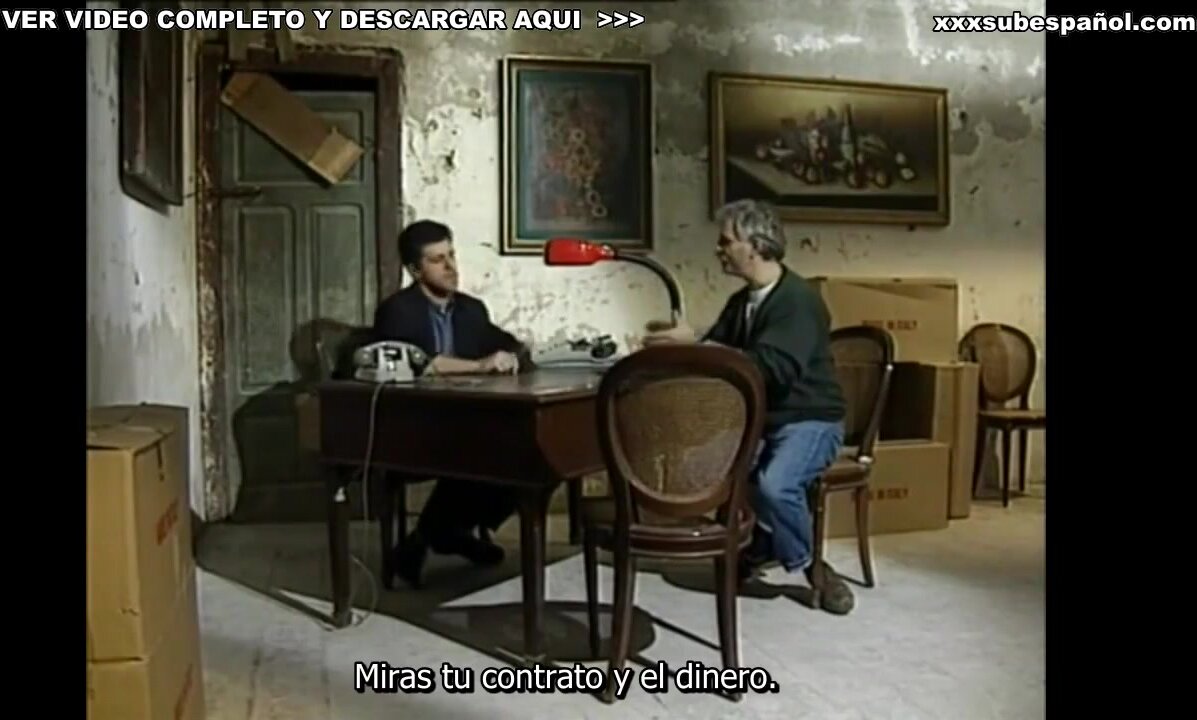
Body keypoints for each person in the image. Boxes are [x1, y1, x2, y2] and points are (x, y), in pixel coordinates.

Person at [642, 199, 855, 615]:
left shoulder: (797, 301)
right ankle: (766, 543)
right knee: (711, 469)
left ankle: (812, 567)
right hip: (764, 422)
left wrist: (698, 343)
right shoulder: (743, 302)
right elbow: (719, 352)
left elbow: (772, 368)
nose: (718, 249)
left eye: (726, 242)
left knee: (775, 485)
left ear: (755, 246)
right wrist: (681, 347)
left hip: (810, 420)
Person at [373, 219, 527, 588]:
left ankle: (435, 536)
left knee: (522, 449)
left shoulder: (471, 309)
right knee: (482, 451)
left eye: (452, 255)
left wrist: (512, 354)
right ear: (415, 270)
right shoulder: (398, 310)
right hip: (412, 425)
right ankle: (449, 535)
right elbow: (420, 362)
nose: (451, 267)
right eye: (437, 260)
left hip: (467, 420)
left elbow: (505, 343)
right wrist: (480, 366)